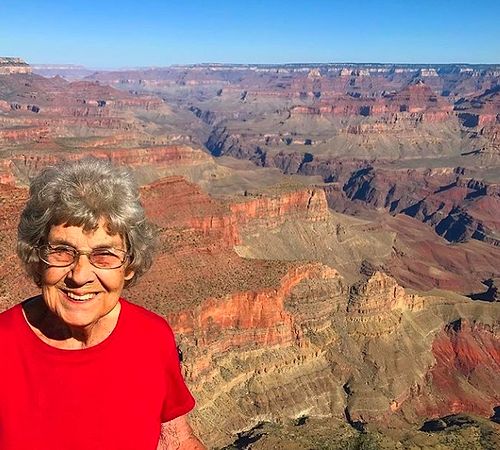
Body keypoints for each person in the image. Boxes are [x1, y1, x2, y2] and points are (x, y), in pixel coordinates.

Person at [0, 158, 206, 450]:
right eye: (62, 251)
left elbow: (177, 441)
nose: (80, 276)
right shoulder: (4, 346)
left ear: (129, 265)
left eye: (104, 255)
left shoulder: (152, 338)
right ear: (37, 257)